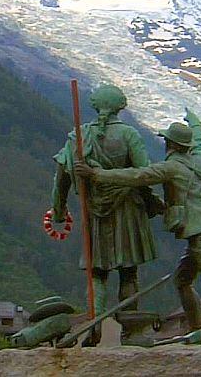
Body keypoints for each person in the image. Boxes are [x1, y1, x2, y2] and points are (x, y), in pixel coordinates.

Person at [75, 108, 201, 350]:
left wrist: (96, 174)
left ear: (170, 144)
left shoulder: (171, 168)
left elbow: (137, 175)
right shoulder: (198, 157)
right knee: (182, 280)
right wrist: (194, 121)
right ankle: (197, 330)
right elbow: (199, 137)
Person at [52, 84, 158, 346]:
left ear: (96, 105)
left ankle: (93, 326)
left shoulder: (78, 137)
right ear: (120, 107)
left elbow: (61, 179)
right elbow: (145, 174)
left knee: (97, 272)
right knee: (128, 271)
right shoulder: (128, 135)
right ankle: (131, 331)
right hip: (128, 209)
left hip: (95, 212)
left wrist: (59, 210)